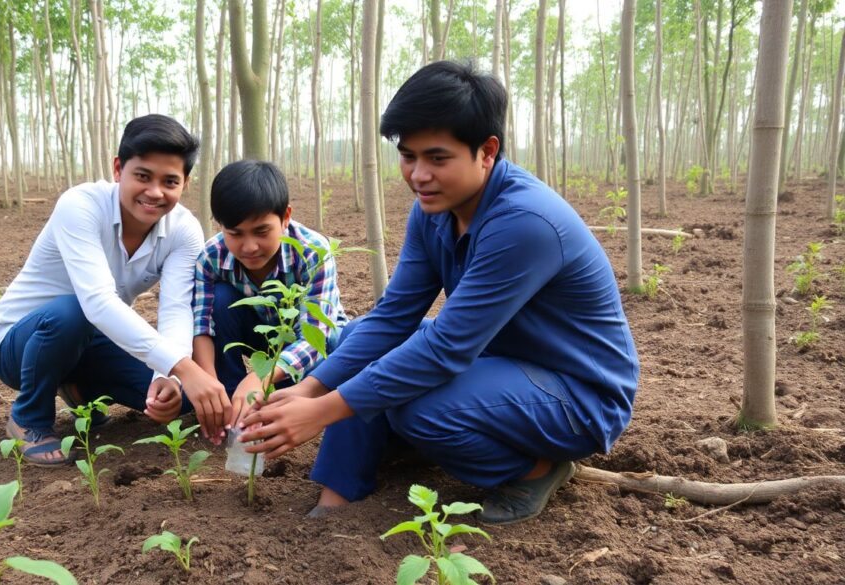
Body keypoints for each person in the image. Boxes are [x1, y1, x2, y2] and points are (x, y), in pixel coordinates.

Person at [239, 61, 639, 525]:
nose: (418, 175)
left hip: (577, 394)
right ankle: (340, 492)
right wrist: (309, 389)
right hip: (500, 362)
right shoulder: (434, 211)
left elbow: (447, 347)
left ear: (487, 151)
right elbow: (394, 316)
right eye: (408, 156)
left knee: (418, 408)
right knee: (354, 338)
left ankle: (536, 470)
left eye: (437, 158)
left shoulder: (524, 222)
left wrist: (321, 411)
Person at [0, 114, 226, 466]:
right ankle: (29, 419)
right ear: (118, 169)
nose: (154, 192)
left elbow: (176, 308)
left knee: (181, 398)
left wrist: (169, 377)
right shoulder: (80, 205)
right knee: (74, 311)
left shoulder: (184, 230)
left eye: (169, 181)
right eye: (142, 176)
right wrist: (184, 367)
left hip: (92, 340)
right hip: (20, 345)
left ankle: (79, 388)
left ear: (184, 183)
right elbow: (96, 303)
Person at [190, 160, 349, 442]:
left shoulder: (312, 252)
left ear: (285, 217)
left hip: (313, 348)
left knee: (335, 342)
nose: (249, 247)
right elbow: (202, 325)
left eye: (262, 232)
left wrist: (259, 378)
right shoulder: (211, 256)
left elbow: (316, 337)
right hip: (261, 337)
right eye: (235, 234)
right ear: (220, 225)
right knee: (221, 300)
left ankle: (286, 398)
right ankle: (229, 409)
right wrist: (209, 387)